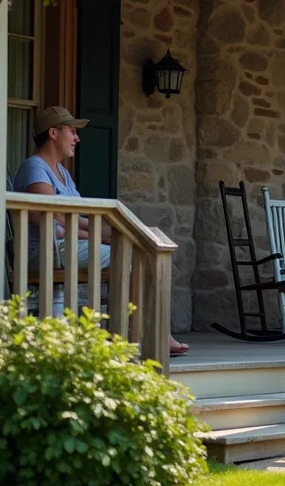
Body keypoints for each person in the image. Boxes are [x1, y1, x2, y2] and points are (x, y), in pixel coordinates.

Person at [13, 106, 190, 356]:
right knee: (129, 257)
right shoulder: (34, 168)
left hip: (64, 245)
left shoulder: (61, 172)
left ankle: (141, 332)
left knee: (141, 249)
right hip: (45, 250)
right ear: (52, 133)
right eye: (72, 131)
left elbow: (78, 219)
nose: (77, 138)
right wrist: (105, 237)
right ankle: (136, 333)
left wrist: (116, 233)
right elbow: (57, 221)